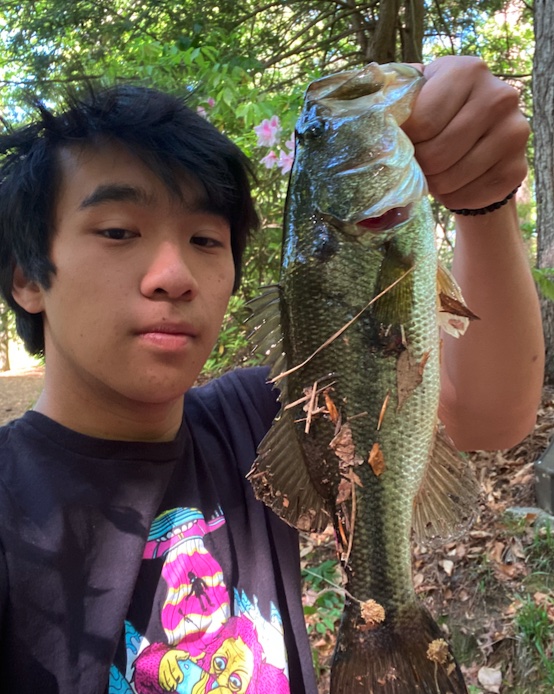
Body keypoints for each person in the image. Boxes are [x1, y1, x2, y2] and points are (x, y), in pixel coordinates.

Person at [0, 55, 544, 694]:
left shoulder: (253, 420)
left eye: (207, 240)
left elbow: (490, 416)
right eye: (119, 231)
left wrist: (483, 203)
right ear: (28, 278)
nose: (174, 274)